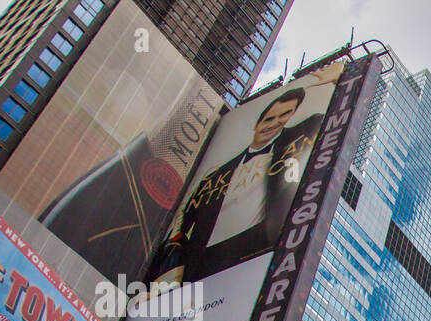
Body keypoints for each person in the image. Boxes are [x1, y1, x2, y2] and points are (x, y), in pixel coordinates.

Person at [147, 63, 342, 288]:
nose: (276, 122)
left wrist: (324, 79)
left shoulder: (293, 141)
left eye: (285, 115)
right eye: (270, 118)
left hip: (252, 255)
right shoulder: (215, 176)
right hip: (200, 265)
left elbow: (328, 110)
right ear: (258, 122)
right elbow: (180, 227)